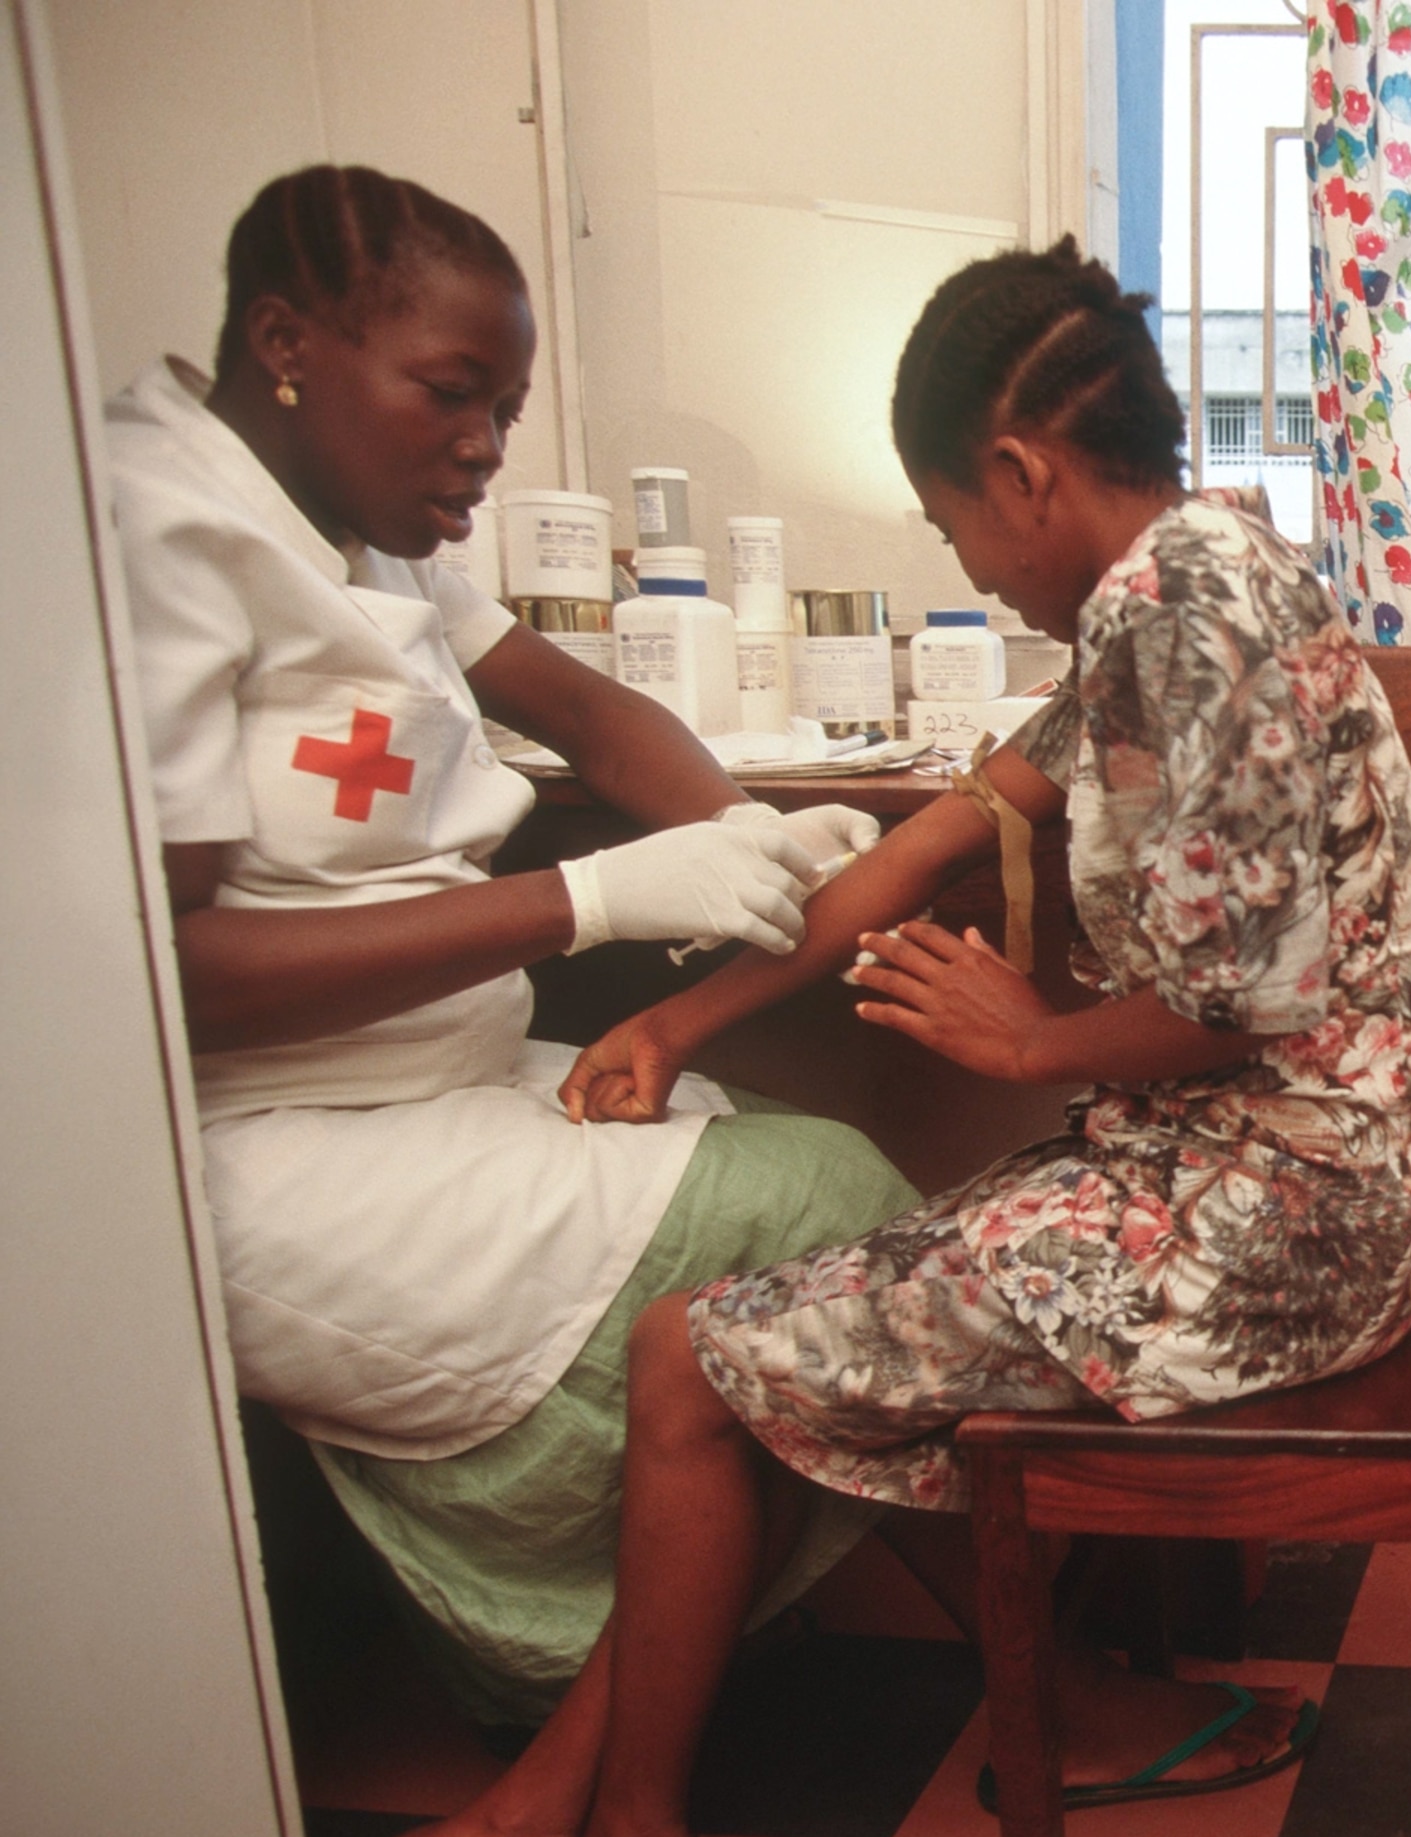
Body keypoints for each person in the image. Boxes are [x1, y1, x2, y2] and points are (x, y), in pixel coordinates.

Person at [310, 237, 1411, 1837]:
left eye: (947, 528)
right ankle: (572, 1833)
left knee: (698, 1354)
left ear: (1018, 478)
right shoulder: (1166, 599)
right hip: (1246, 1177)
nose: (969, 565)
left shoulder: (1185, 608)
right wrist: (686, 1008)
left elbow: (1258, 995)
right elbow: (926, 840)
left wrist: (1032, 1038)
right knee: (799, 1313)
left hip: (1300, 1217)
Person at [112, 164, 910, 1735]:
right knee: (836, 1205)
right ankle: (596, 1727)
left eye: (507, 406)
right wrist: (593, 901)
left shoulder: (360, 517)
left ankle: (624, 1732)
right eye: (453, 396)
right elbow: (171, 967)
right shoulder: (160, 529)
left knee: (783, 1179)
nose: (485, 447)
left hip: (437, 1091)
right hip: (277, 1147)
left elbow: (593, 711)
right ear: (286, 340)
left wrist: (746, 826)